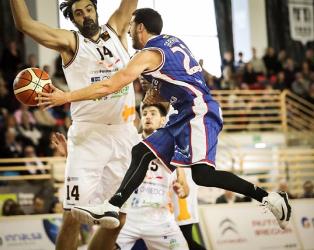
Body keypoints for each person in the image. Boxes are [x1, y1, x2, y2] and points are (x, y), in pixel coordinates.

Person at [38, 8, 292, 231]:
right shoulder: (173, 41)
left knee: (202, 176)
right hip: (182, 113)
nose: (127, 34)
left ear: (140, 28)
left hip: (197, 111)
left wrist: (67, 96)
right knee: (141, 151)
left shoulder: (147, 54)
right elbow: (178, 78)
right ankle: (112, 205)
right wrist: (154, 90)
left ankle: (269, 197)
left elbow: (109, 86)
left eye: (129, 29)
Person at [10, 0, 139, 250]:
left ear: (96, 10)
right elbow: (25, 24)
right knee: (72, 215)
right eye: (78, 13)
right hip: (89, 135)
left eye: (89, 9)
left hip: (125, 133)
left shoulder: (116, 29)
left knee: (118, 218)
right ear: (73, 19)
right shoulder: (70, 42)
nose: (86, 16)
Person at [52, 104, 189, 249]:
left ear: (163, 120)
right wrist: (70, 154)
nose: (148, 116)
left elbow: (185, 189)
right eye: (145, 113)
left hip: (159, 218)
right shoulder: (127, 141)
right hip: (128, 214)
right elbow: (95, 165)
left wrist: (182, 188)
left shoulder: (172, 147)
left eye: (153, 113)